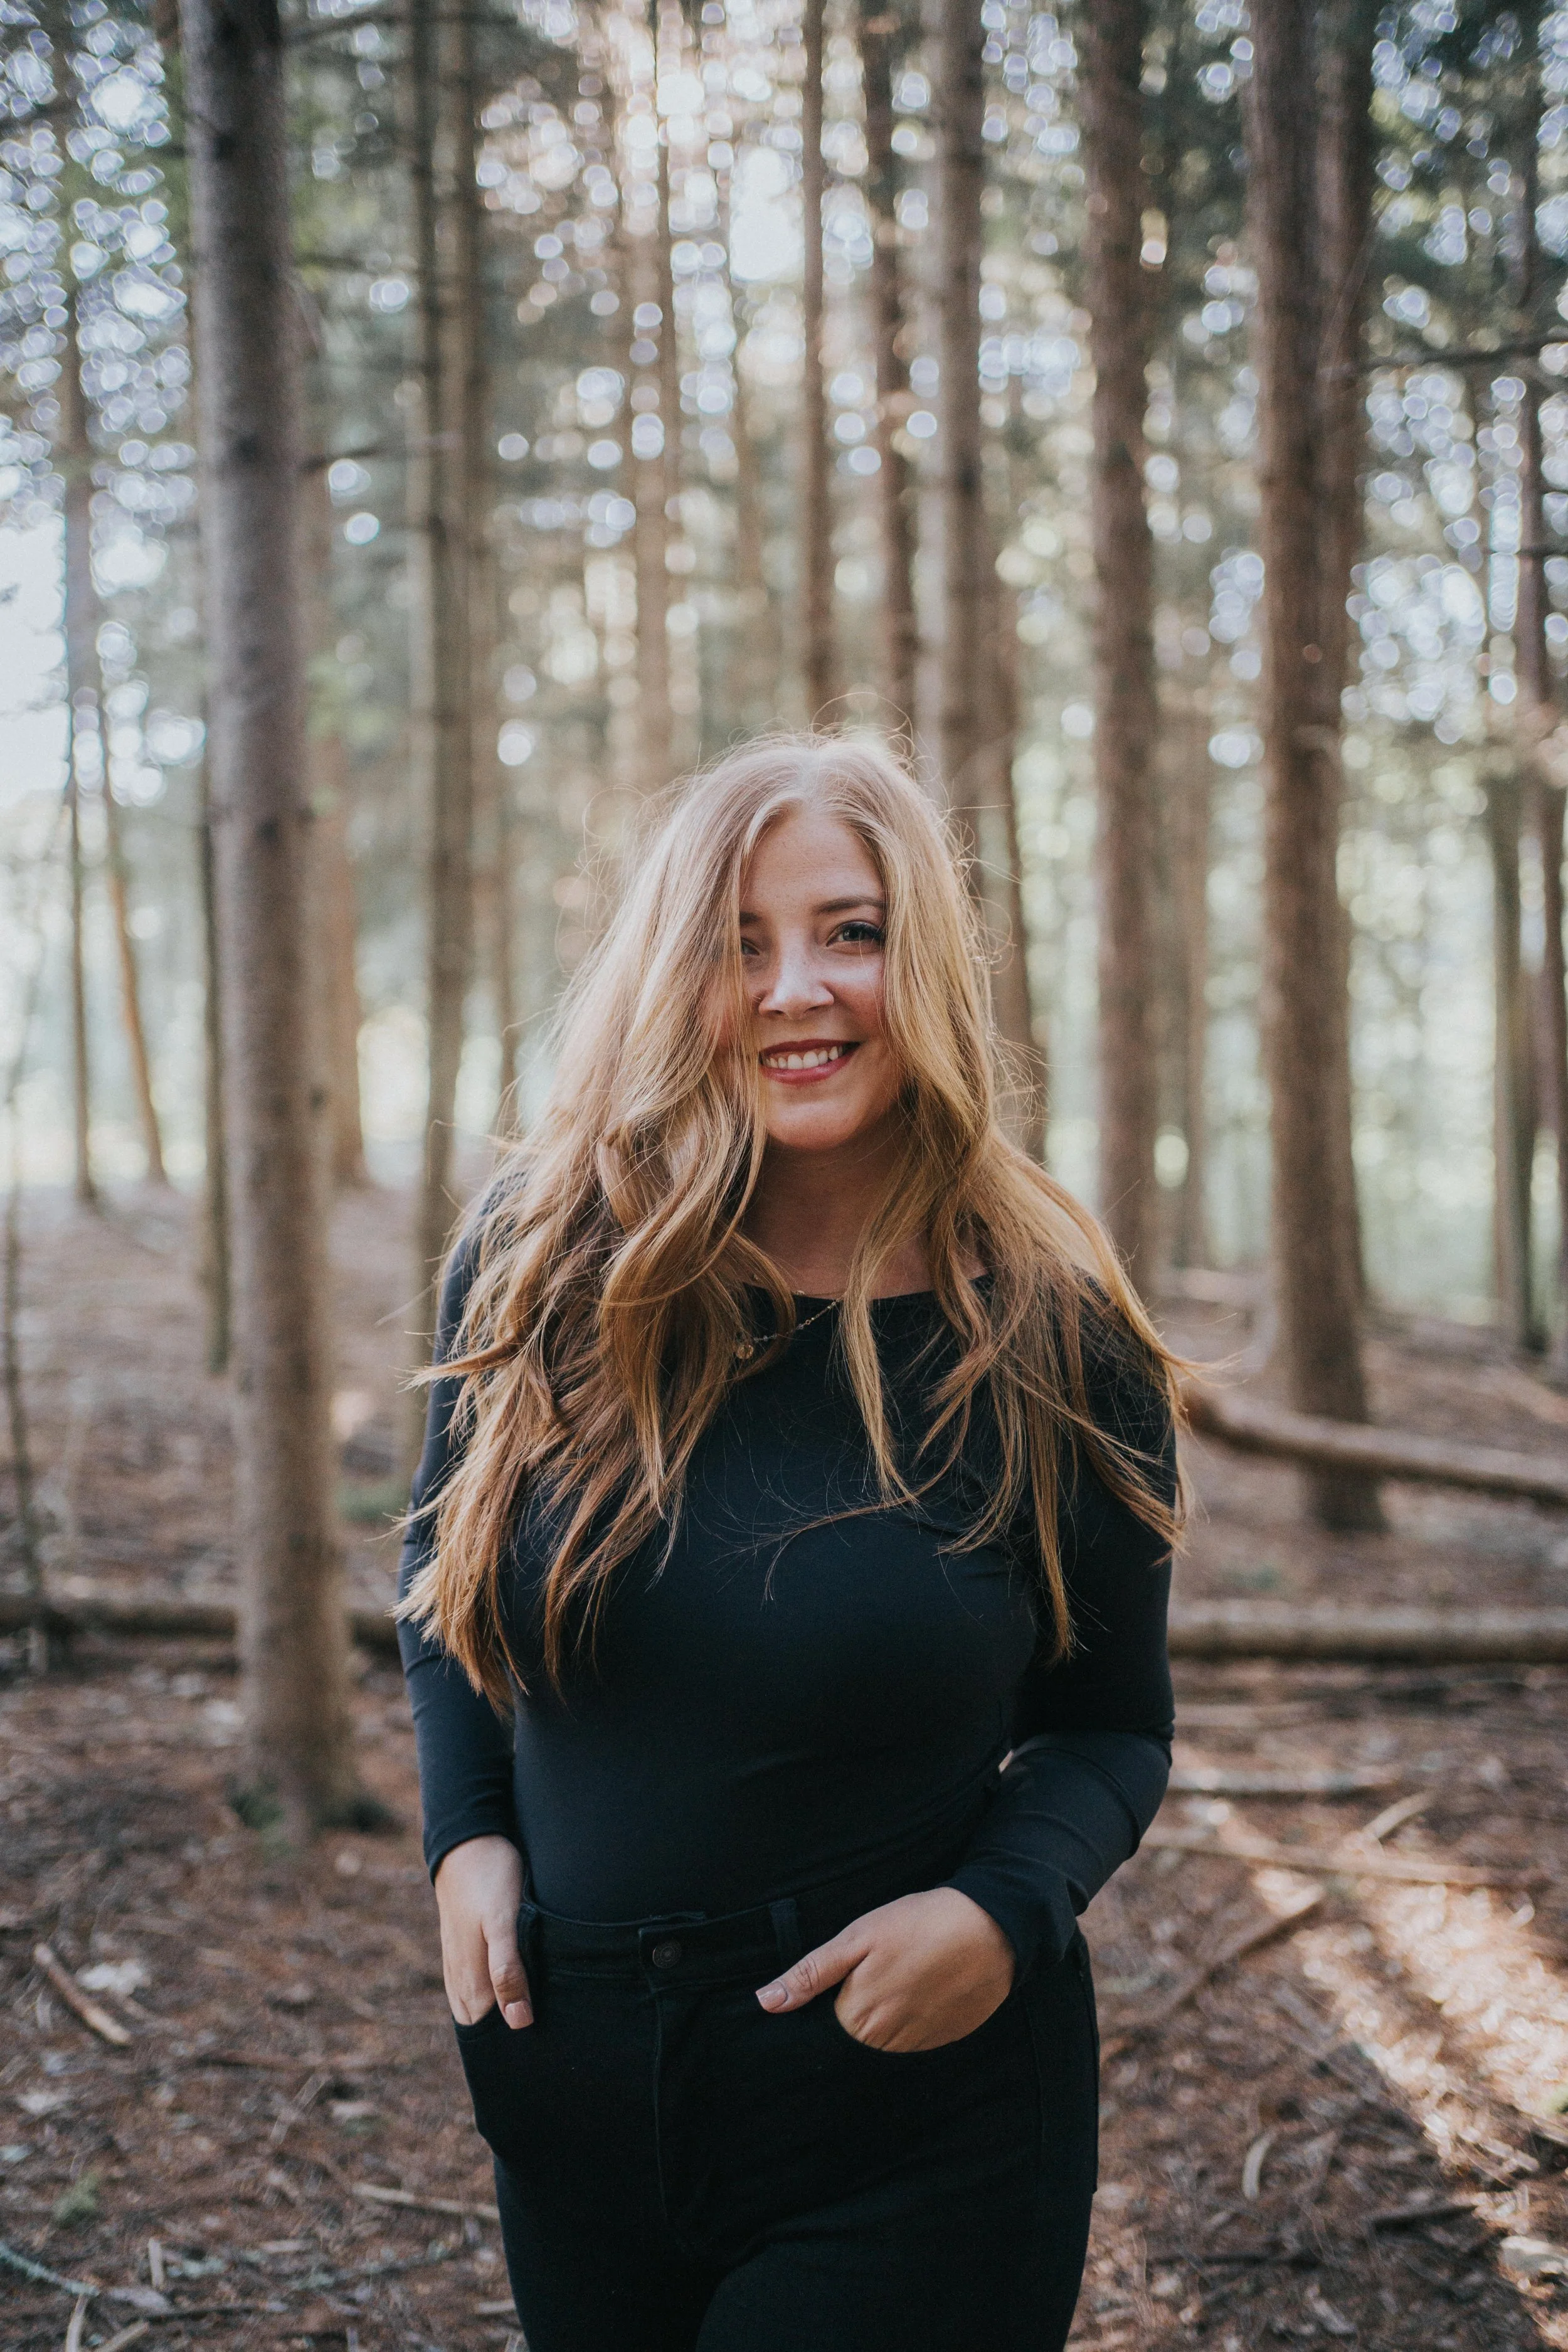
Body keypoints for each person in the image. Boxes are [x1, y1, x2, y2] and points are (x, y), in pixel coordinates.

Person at [396, 734, 1182, 2352]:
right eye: (738, 944)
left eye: (853, 932)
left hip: (913, 2128)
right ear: (674, 975)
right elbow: (446, 1592)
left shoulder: (1044, 1326)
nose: (795, 989)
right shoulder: (547, 1263)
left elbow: (1113, 1723)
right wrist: (467, 1832)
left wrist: (1001, 1915)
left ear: (932, 963)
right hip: (573, 2111)